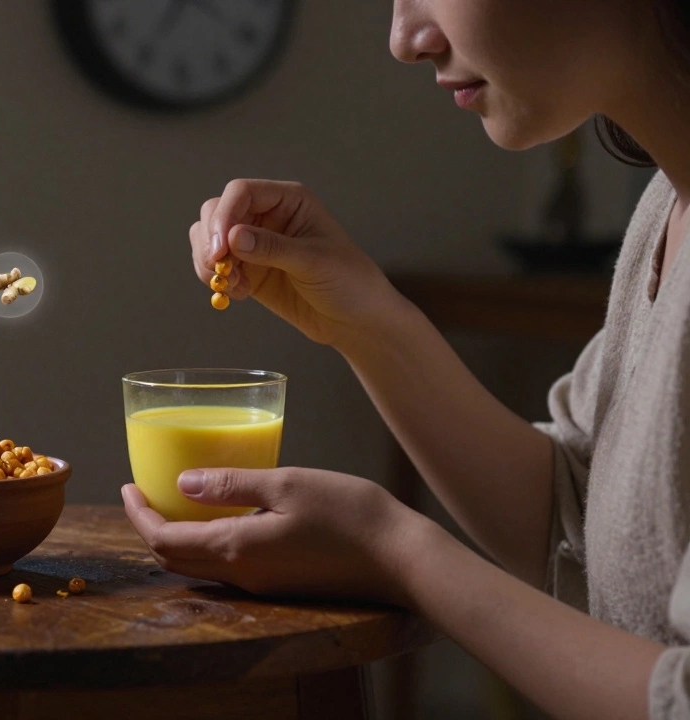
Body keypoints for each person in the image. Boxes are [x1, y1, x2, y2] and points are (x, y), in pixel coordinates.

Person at [120, 2, 690, 718]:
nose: (404, 41)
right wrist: (366, 321)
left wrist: (397, 554)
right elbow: (583, 525)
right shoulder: (667, 209)